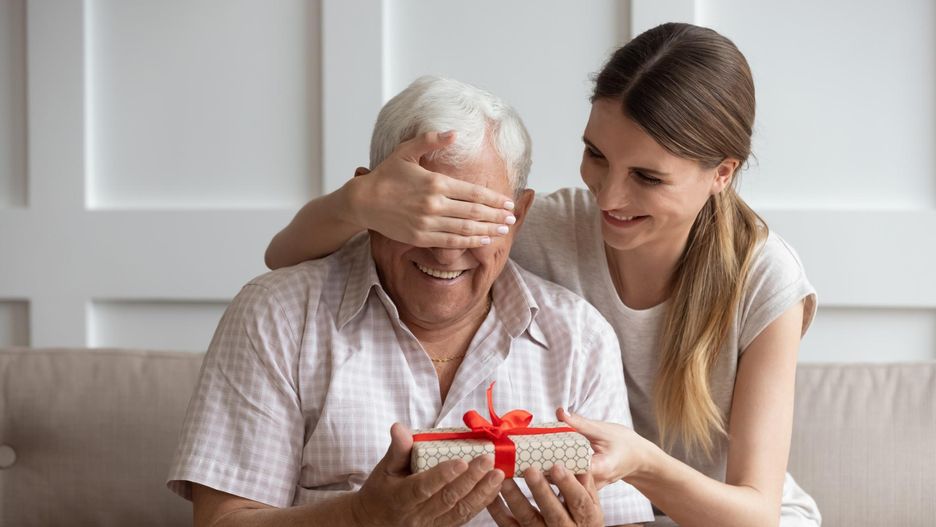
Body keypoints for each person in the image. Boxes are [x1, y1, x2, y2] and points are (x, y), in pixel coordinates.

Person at [264, 23, 822, 527]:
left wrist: (641, 462)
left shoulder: (765, 278)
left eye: (647, 177)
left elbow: (757, 511)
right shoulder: (546, 227)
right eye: (596, 155)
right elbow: (287, 259)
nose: (610, 197)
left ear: (722, 173)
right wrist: (359, 201)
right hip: (609, 507)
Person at [167, 76, 654, 526]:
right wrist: (360, 516)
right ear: (370, 198)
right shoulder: (278, 317)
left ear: (520, 216)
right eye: (424, 216)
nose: (447, 251)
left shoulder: (581, 339)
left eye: (474, 221)